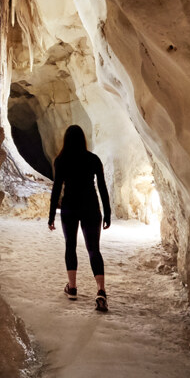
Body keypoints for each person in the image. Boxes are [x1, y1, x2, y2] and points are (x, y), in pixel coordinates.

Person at [47, 124, 111, 312]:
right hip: (91, 206)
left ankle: (72, 287)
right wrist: (107, 212)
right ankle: (101, 291)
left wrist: (51, 215)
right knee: (94, 250)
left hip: (70, 207)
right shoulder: (93, 159)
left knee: (70, 246)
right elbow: (102, 187)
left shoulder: (61, 160)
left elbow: (56, 189)